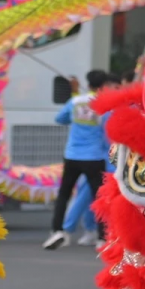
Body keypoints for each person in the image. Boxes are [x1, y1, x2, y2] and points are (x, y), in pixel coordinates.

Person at [47, 69, 112, 249]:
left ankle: (57, 231)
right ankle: (102, 238)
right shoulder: (105, 105)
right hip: (94, 157)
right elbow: (108, 130)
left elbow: (60, 119)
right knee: (99, 197)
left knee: (64, 194)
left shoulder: (75, 101)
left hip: (72, 155)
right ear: (104, 85)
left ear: (88, 83)